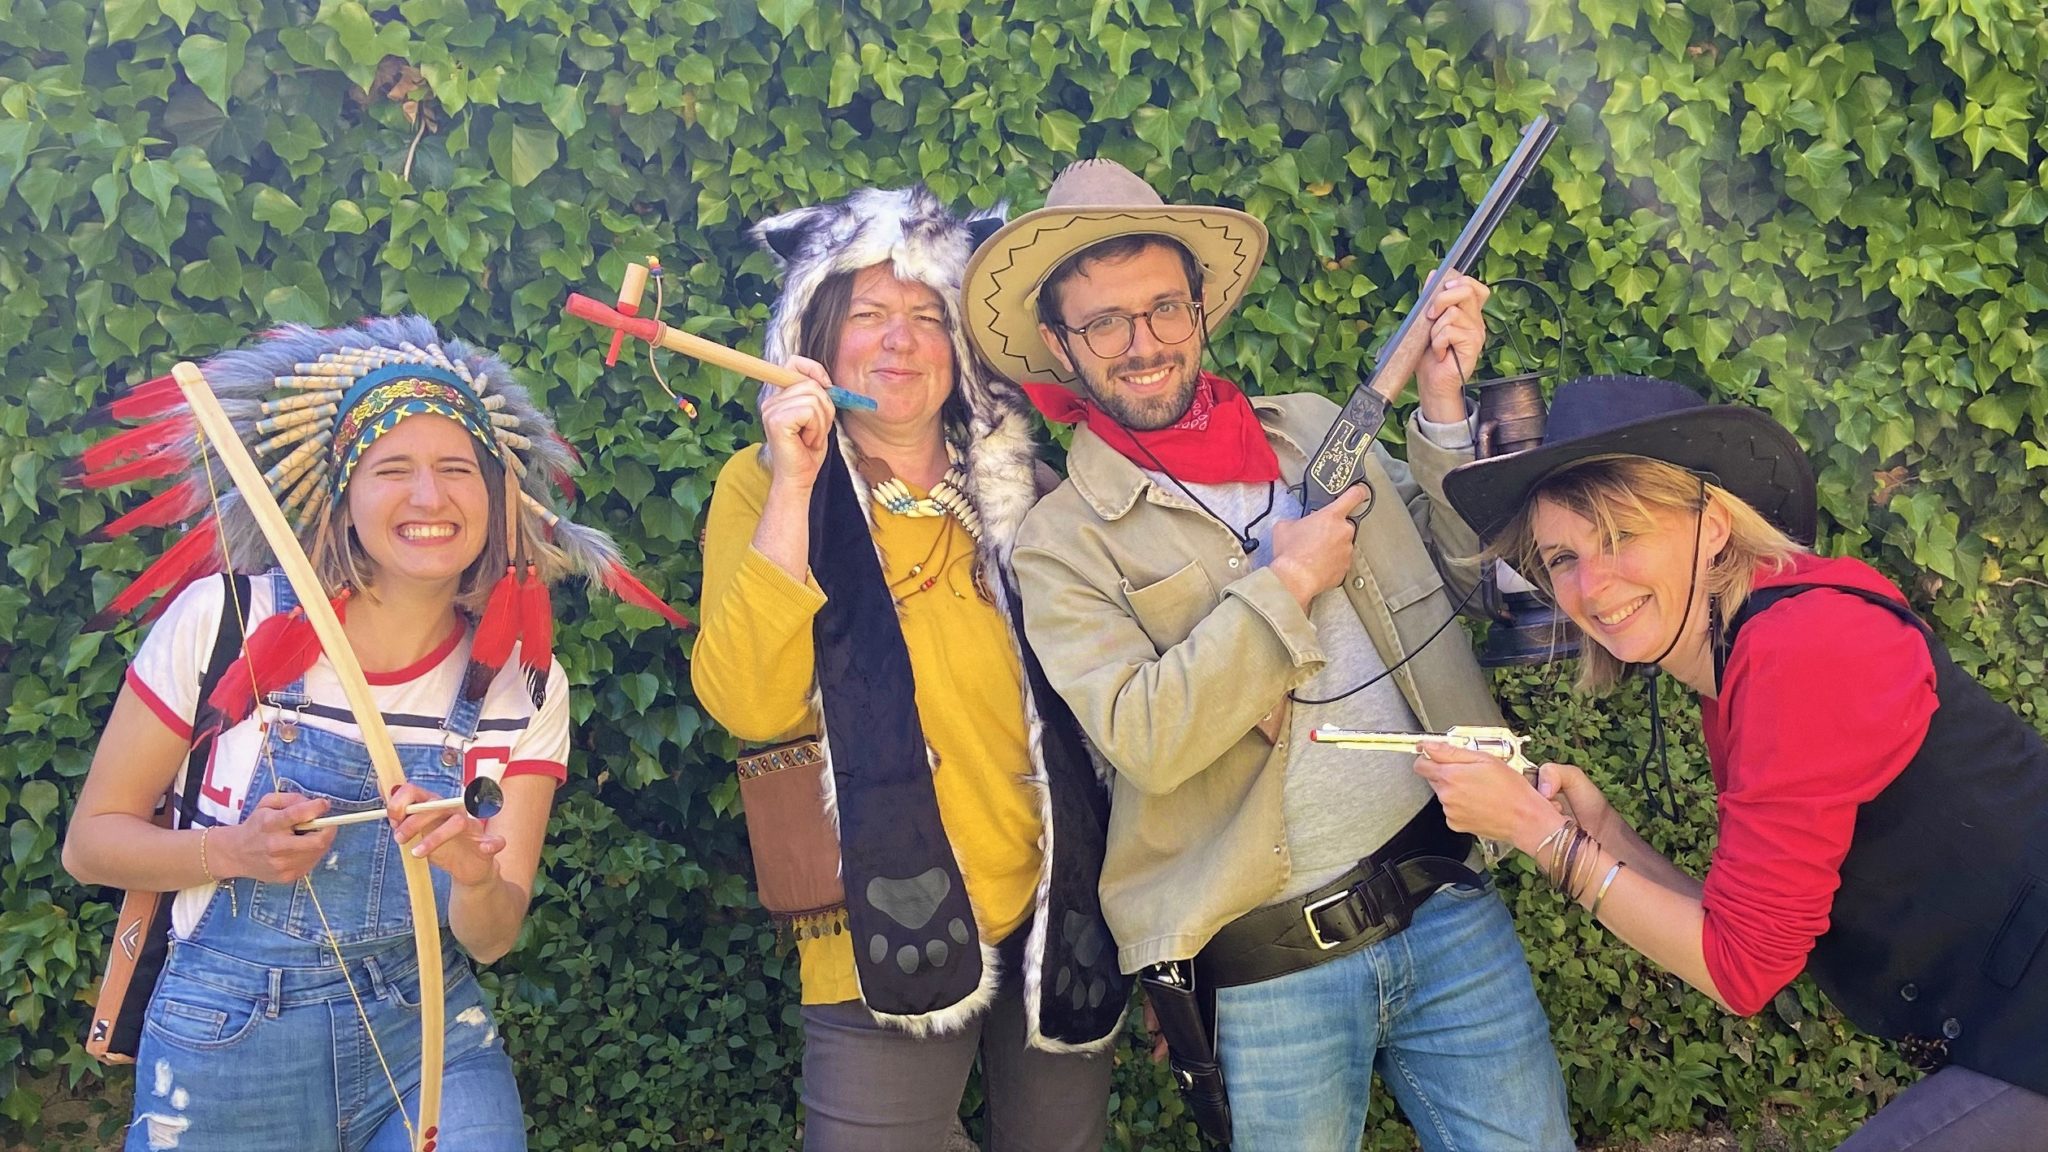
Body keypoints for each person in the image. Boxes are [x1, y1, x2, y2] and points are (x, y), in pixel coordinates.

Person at [963, 159, 1573, 1151]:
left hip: (1443, 904)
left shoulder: (1313, 432)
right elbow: (1145, 737)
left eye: (1163, 308)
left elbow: (1476, 579)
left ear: (1199, 309)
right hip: (1265, 969)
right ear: (1058, 346)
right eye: (1104, 323)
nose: (1143, 343)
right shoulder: (1060, 541)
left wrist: (1441, 409)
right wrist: (1283, 585)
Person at [63, 317, 684, 1150]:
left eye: (457, 469)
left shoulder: (523, 684)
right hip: (227, 1039)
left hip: (428, 1034)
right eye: (392, 469)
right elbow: (91, 845)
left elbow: (492, 938)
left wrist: (474, 873)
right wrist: (235, 852)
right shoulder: (223, 621)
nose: (429, 498)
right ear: (342, 495)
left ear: (497, 497)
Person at [1418, 374, 2048, 1151]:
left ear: (1712, 524)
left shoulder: (1797, 651)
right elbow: (1735, 931)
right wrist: (1599, 834)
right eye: (1563, 556)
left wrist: (1541, 839)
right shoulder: (1751, 651)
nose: (1591, 585)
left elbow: (1741, 972)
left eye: (1620, 536)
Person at [689, 186, 1125, 1152]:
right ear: (817, 336)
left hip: (1057, 907)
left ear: (959, 344)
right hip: (880, 917)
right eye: (869, 315)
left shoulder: (1024, 489)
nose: (899, 341)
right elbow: (749, 703)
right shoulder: (763, 486)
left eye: (927, 316)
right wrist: (795, 484)